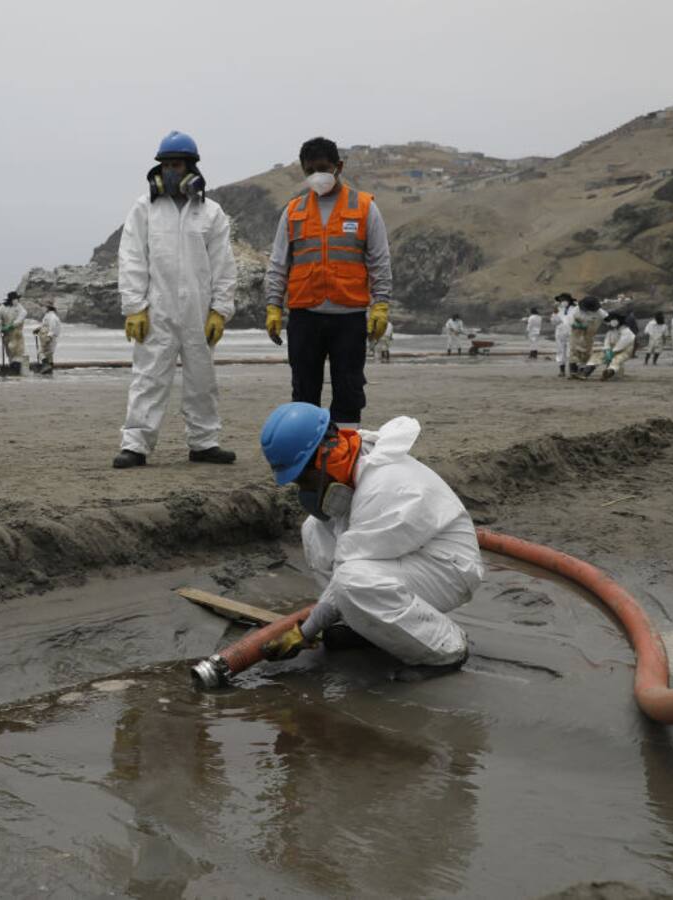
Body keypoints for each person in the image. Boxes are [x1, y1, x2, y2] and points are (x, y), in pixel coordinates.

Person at [258, 402, 481, 678]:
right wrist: (308, 630)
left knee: (353, 582)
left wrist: (305, 631)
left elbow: (347, 577)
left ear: (324, 455)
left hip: (449, 569)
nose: (304, 490)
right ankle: (364, 625)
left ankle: (445, 649)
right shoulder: (352, 462)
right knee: (314, 530)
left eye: (304, 479)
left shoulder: (384, 487)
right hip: (409, 559)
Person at [113, 130, 238, 468]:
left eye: (176, 164)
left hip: (199, 311)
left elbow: (223, 264)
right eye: (165, 164)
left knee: (203, 379)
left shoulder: (211, 213)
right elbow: (132, 258)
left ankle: (204, 442)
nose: (170, 171)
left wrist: (219, 311)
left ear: (191, 168)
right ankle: (135, 445)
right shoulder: (144, 209)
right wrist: (135, 308)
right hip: (157, 309)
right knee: (148, 377)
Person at [265, 137, 391, 429]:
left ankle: (343, 457)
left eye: (322, 168)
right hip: (304, 317)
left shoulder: (364, 208)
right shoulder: (293, 211)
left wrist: (381, 305)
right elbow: (278, 264)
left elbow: (379, 261)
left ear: (339, 167)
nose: (316, 175)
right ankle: (308, 459)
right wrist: (273, 306)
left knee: (349, 390)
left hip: (348, 318)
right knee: (304, 392)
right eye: (310, 170)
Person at [581, 312, 635, 380]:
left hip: (624, 351)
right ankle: (586, 372)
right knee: (597, 356)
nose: (608, 323)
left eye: (610, 321)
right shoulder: (611, 331)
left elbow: (623, 343)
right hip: (611, 350)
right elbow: (607, 341)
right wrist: (607, 350)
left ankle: (609, 372)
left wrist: (613, 351)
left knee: (617, 360)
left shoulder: (627, 331)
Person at [568, 296, 606, 377]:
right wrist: (575, 324)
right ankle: (573, 369)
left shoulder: (600, 312)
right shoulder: (576, 310)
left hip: (590, 334)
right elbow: (569, 318)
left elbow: (608, 319)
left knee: (587, 350)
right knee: (573, 349)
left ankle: (582, 368)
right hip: (576, 332)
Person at [0, 291, 28, 375]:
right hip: (7, 334)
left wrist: (10, 326)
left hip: (17, 333)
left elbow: (20, 319)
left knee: (18, 353)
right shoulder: (3, 307)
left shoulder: (20, 308)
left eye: (17, 299)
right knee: (9, 353)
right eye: (14, 299)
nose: (16, 301)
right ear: (10, 299)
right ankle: (13, 370)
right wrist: (1, 328)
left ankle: (15, 371)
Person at [551, 293, 575, 377]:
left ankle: (573, 370)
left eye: (565, 300)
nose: (563, 302)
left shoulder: (574, 309)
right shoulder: (558, 310)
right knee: (560, 351)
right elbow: (554, 322)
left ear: (569, 300)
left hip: (572, 332)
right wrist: (554, 312)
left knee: (571, 351)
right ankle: (562, 370)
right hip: (560, 333)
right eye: (561, 300)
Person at [35, 302, 62, 374]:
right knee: (49, 355)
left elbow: (52, 328)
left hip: (50, 338)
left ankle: (46, 366)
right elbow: (44, 325)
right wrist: (38, 329)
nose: (42, 309)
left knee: (40, 353)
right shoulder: (48, 316)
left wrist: (49, 337)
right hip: (48, 337)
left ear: (47, 308)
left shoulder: (52, 317)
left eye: (43, 307)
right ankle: (49, 371)